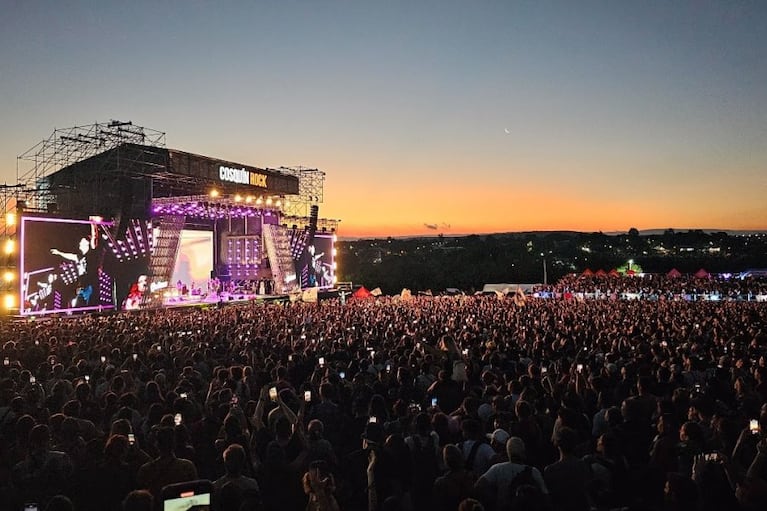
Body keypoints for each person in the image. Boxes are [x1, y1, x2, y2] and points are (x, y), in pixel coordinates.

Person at [50, 222, 99, 307]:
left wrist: (93, 224)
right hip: (82, 284)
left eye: (82, 242)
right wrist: (59, 253)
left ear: (87, 244)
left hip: (90, 284)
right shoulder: (79, 257)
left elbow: (94, 236)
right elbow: (70, 256)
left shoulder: (91, 252)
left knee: (89, 304)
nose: (79, 244)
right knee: (78, 304)